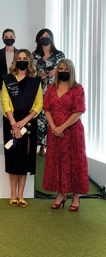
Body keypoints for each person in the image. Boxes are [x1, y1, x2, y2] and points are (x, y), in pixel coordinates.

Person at [42, 59, 87, 212]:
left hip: (73, 132)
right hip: (55, 132)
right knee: (58, 162)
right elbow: (46, 109)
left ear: (71, 71)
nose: (62, 71)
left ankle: (75, 196)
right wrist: (54, 127)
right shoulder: (51, 88)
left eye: (66, 69)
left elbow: (79, 111)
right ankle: (61, 195)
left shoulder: (78, 89)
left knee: (74, 163)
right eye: (60, 68)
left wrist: (62, 127)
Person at [0, 50, 43, 208]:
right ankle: (12, 195)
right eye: (19, 58)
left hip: (28, 125)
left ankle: (21, 195)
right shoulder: (7, 79)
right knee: (13, 159)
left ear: (30, 61)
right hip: (11, 124)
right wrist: (14, 123)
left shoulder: (35, 81)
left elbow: (39, 104)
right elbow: (5, 101)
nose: (22, 60)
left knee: (24, 160)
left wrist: (23, 122)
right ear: (15, 61)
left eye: (25, 58)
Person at [33, 28, 65, 156]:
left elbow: (65, 70)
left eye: (47, 36)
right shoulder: (34, 55)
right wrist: (36, 73)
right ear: (38, 39)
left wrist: (56, 70)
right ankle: (40, 147)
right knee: (40, 117)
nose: (44, 38)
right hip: (39, 91)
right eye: (42, 36)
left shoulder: (59, 55)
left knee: (54, 116)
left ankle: (53, 146)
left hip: (55, 91)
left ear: (51, 38)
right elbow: (29, 71)